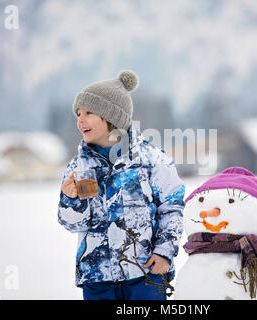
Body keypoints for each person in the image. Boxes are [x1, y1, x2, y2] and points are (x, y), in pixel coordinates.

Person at [57, 70, 185, 300]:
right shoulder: (78, 168)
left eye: (88, 112)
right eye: (78, 113)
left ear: (112, 117)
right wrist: (71, 200)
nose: (80, 120)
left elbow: (172, 207)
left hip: (146, 272)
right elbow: (72, 224)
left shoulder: (152, 161)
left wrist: (164, 252)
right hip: (97, 278)